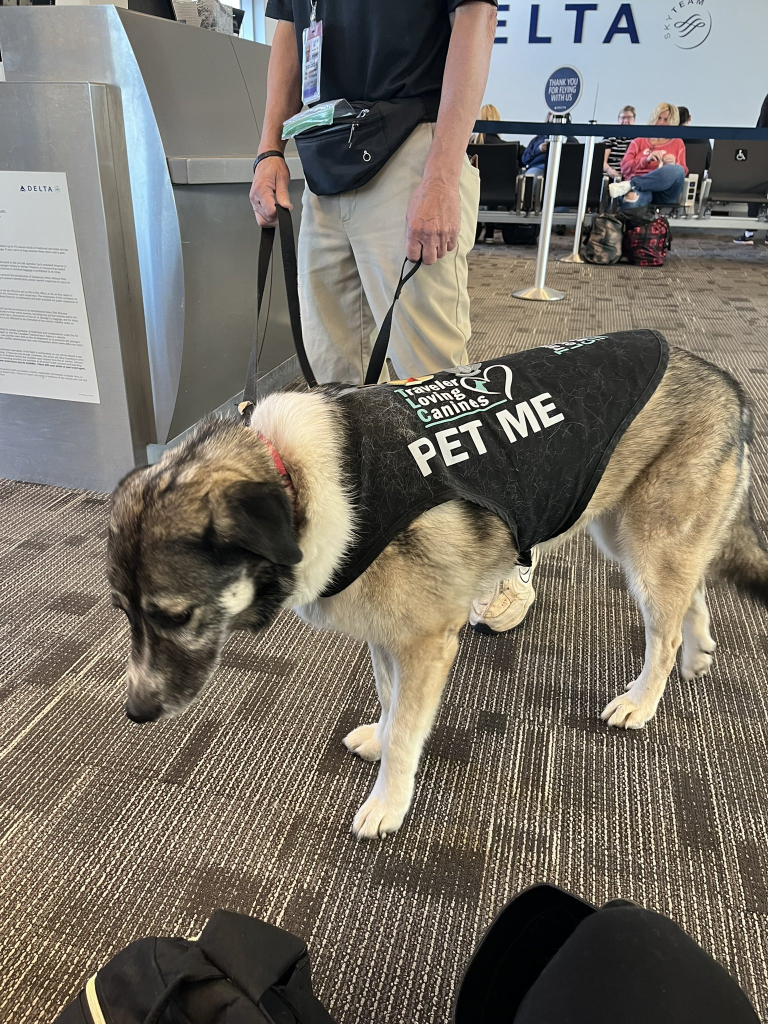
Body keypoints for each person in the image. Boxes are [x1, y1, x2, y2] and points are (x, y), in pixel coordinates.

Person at [249, 0, 498, 386]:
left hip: (411, 146)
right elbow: (289, 28)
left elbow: (475, 15)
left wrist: (442, 177)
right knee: (331, 380)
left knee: (433, 378)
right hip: (325, 155)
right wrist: (269, 151)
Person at [609, 102, 687, 209]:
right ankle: (633, 187)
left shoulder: (678, 143)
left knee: (677, 170)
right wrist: (646, 160)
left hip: (664, 191)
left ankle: (631, 184)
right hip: (641, 189)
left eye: (665, 120)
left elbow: (683, 172)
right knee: (632, 200)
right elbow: (625, 168)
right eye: (659, 118)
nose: (661, 122)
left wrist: (674, 163)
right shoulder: (639, 141)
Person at [734, 92, 768, 245]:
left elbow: (763, 124)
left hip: (762, 148)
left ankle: (749, 232)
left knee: (755, 187)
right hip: (763, 147)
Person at [603, 105, 636, 181]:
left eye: (629, 118)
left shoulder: (636, 140)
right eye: (623, 118)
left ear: (634, 120)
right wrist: (609, 170)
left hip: (629, 177)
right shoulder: (610, 137)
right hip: (610, 175)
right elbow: (602, 161)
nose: (625, 121)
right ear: (618, 120)